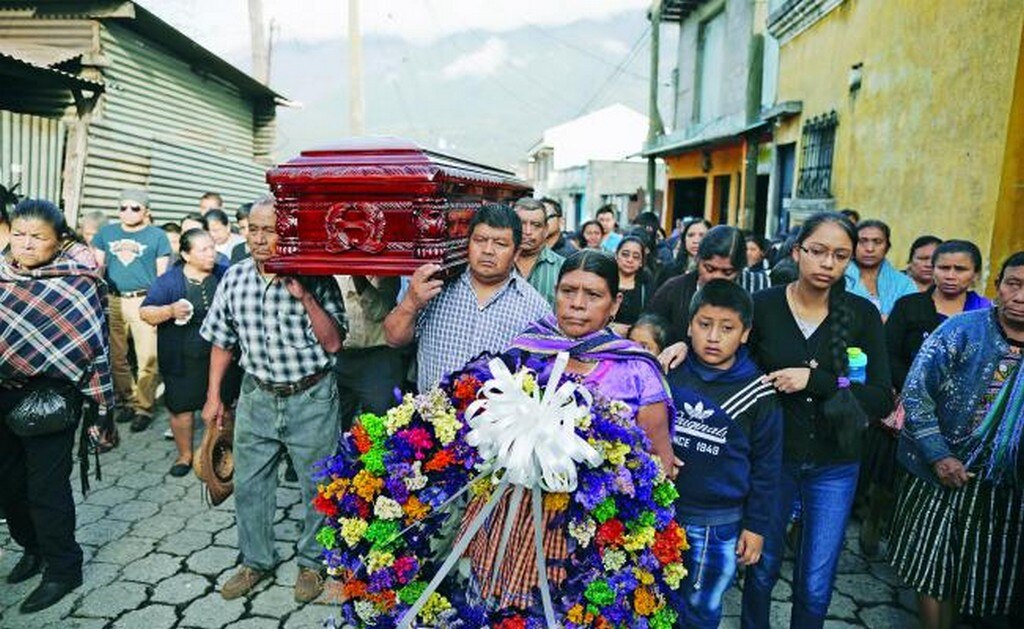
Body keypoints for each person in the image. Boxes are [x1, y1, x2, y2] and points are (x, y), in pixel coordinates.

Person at [460, 250, 676, 610]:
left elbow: (659, 465)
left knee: (572, 609)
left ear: (615, 302)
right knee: (505, 606)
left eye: (592, 295)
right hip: (516, 514)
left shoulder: (637, 370)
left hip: (592, 525)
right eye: (567, 291)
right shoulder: (528, 352)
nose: (577, 304)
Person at [738, 212, 893, 628]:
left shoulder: (861, 314)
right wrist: (680, 346)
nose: (828, 263)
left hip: (836, 462)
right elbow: (731, 367)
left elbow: (879, 396)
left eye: (841, 256)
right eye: (819, 251)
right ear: (797, 252)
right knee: (761, 568)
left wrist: (819, 380)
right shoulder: (764, 305)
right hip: (774, 459)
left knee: (816, 581)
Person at [200, 195, 347, 603]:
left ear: (289, 234)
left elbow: (334, 343)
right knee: (249, 484)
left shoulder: (316, 278)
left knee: (319, 484)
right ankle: (256, 561)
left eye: (271, 230)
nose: (261, 239)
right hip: (257, 396)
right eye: (254, 229)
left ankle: (312, 563)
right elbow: (221, 342)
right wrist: (213, 396)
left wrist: (305, 297)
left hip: (311, 398)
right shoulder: (234, 277)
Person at [889, 252, 1024, 629]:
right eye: (1014, 284)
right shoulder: (961, 330)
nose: (1021, 296)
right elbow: (916, 394)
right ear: (997, 285)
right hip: (942, 472)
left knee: (982, 572)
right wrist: (938, 455)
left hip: (1007, 487)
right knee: (934, 567)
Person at [1, 199, 114, 613]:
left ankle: (63, 569)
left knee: (45, 489)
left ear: (59, 242)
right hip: (2, 392)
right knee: (10, 486)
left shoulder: (77, 280)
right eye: (19, 234)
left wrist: (101, 408)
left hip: (51, 397)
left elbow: (94, 347)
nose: (26, 245)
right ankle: (32, 547)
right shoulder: (0, 274)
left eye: (38, 238)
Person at [858, 240, 991, 557]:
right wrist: (917, 389)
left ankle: (915, 540)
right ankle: (873, 521)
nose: (950, 275)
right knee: (888, 475)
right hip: (906, 403)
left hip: (960, 414)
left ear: (974, 274)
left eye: (960, 269)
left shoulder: (984, 316)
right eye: (943, 267)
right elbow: (888, 355)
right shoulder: (910, 306)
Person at [666, 279, 782, 628]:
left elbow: (767, 468)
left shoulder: (758, 394)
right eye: (704, 325)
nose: (713, 337)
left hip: (718, 524)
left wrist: (756, 527)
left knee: (701, 609)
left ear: (745, 333)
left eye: (727, 328)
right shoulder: (671, 373)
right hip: (665, 513)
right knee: (658, 602)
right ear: (689, 326)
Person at [384, 203, 551, 392]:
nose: (488, 250)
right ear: (468, 243)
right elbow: (393, 339)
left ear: (516, 253)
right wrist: (411, 303)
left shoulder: (536, 308)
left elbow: (540, 378)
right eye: (480, 240)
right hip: (431, 417)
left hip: (497, 420)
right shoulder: (435, 287)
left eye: (500, 244)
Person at [140, 229, 224, 476]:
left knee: (222, 407)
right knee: (181, 409)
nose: (212, 254)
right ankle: (185, 455)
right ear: (186, 255)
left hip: (219, 357)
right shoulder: (169, 281)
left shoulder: (224, 274)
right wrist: (169, 310)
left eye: (212, 247)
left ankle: (219, 451)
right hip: (181, 359)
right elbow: (146, 313)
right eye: (204, 249)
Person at [91, 189, 172, 432]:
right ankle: (126, 400)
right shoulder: (106, 233)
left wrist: (157, 304)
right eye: (122, 207)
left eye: (135, 208)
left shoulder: (157, 236)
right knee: (117, 358)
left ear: (146, 211)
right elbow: (97, 268)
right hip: (113, 300)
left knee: (147, 358)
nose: (128, 212)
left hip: (143, 300)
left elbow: (162, 275)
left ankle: (144, 407)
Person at [645, 225, 749, 344]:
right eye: (709, 269)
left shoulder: (754, 290)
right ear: (697, 259)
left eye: (727, 272)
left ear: (740, 270)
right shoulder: (674, 290)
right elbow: (647, 332)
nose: (717, 277)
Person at [333, 275, 408, 430]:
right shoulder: (331, 270)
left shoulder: (384, 270)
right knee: (333, 428)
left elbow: (380, 312)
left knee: (386, 426)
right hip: (337, 358)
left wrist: (358, 277)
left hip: (378, 360)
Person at [845, 219, 916, 318]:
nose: (870, 249)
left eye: (877, 242)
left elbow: (911, 318)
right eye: (862, 241)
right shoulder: (839, 278)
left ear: (887, 247)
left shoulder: (904, 284)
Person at [513, 197, 564, 307]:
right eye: (521, 224)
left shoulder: (563, 268)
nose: (527, 232)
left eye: (536, 225)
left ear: (545, 230)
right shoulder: (499, 264)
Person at [611, 235, 653, 335]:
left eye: (636, 257)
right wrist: (611, 327)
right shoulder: (604, 282)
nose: (630, 260)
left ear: (641, 262)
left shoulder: (647, 286)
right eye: (625, 255)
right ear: (616, 256)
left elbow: (650, 318)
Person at [660, 218, 711, 285]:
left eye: (702, 235)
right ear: (684, 239)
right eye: (691, 235)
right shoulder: (669, 271)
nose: (696, 241)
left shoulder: (717, 272)